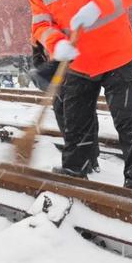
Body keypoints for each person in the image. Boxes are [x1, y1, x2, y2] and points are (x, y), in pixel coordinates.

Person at [26, 0, 132, 192]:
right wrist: (56, 43)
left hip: (116, 56)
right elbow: (40, 23)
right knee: (75, 120)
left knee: (127, 121)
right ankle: (75, 170)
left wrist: (98, 7)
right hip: (79, 63)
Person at [29, 40, 100, 173]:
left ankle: (87, 160)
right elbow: (38, 53)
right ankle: (86, 159)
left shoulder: (61, 25)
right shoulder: (45, 30)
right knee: (72, 116)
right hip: (64, 75)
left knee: (77, 119)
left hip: (77, 73)